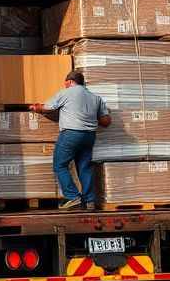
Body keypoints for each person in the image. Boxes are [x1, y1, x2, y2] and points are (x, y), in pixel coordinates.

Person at [29, 71, 111, 210]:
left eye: (65, 83)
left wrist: (36, 108)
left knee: (60, 165)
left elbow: (48, 107)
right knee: (84, 167)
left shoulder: (66, 93)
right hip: (89, 136)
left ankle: (73, 197)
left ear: (70, 82)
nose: (65, 85)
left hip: (71, 135)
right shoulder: (95, 98)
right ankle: (90, 200)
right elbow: (106, 121)